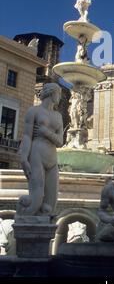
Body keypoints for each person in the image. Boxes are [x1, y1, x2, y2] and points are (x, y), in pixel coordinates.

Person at [17, 83, 63, 216]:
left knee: (52, 200)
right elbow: (27, 136)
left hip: (52, 157)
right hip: (36, 153)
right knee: (37, 195)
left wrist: (46, 132)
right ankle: (24, 215)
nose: (59, 97)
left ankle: (44, 224)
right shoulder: (34, 111)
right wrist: (24, 158)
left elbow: (60, 142)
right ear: (51, 93)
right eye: (58, 94)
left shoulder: (58, 116)